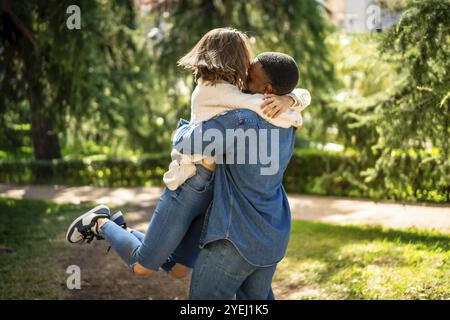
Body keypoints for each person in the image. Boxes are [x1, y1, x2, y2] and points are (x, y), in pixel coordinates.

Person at [65, 28, 309, 294]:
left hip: (235, 235)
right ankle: (107, 226)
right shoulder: (288, 122)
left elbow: (185, 143)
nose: (244, 75)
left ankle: (105, 225)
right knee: (169, 267)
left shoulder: (241, 117)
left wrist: (182, 128)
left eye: (251, 75)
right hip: (274, 231)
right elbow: (296, 108)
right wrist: (292, 99)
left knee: (179, 275)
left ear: (267, 89)